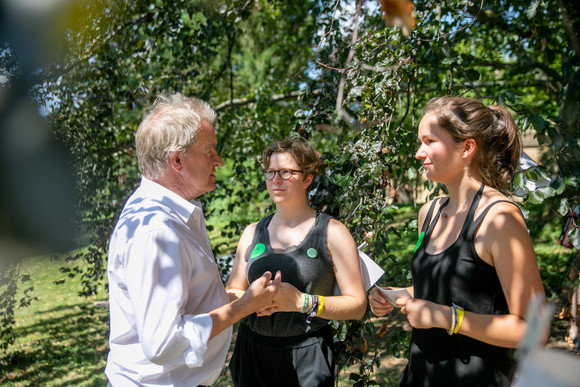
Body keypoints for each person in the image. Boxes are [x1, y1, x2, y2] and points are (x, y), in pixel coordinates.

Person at [105, 93, 281, 387]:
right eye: (209, 150)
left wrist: (242, 298)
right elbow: (163, 344)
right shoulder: (158, 232)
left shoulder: (164, 212)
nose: (219, 160)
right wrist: (243, 308)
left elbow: (191, 304)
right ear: (176, 160)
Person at [369, 96, 546, 386]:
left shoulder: (500, 219)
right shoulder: (429, 213)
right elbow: (453, 288)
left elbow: (535, 330)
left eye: (429, 141)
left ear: (466, 147)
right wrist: (396, 294)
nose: (418, 152)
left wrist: (449, 318)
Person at [226, 138, 367, 387]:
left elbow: (357, 306)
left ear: (307, 179)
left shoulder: (333, 232)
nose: (276, 180)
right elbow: (231, 291)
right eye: (270, 172)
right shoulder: (252, 232)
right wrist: (252, 300)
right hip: (252, 351)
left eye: (286, 172)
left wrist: (303, 303)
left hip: (308, 353)